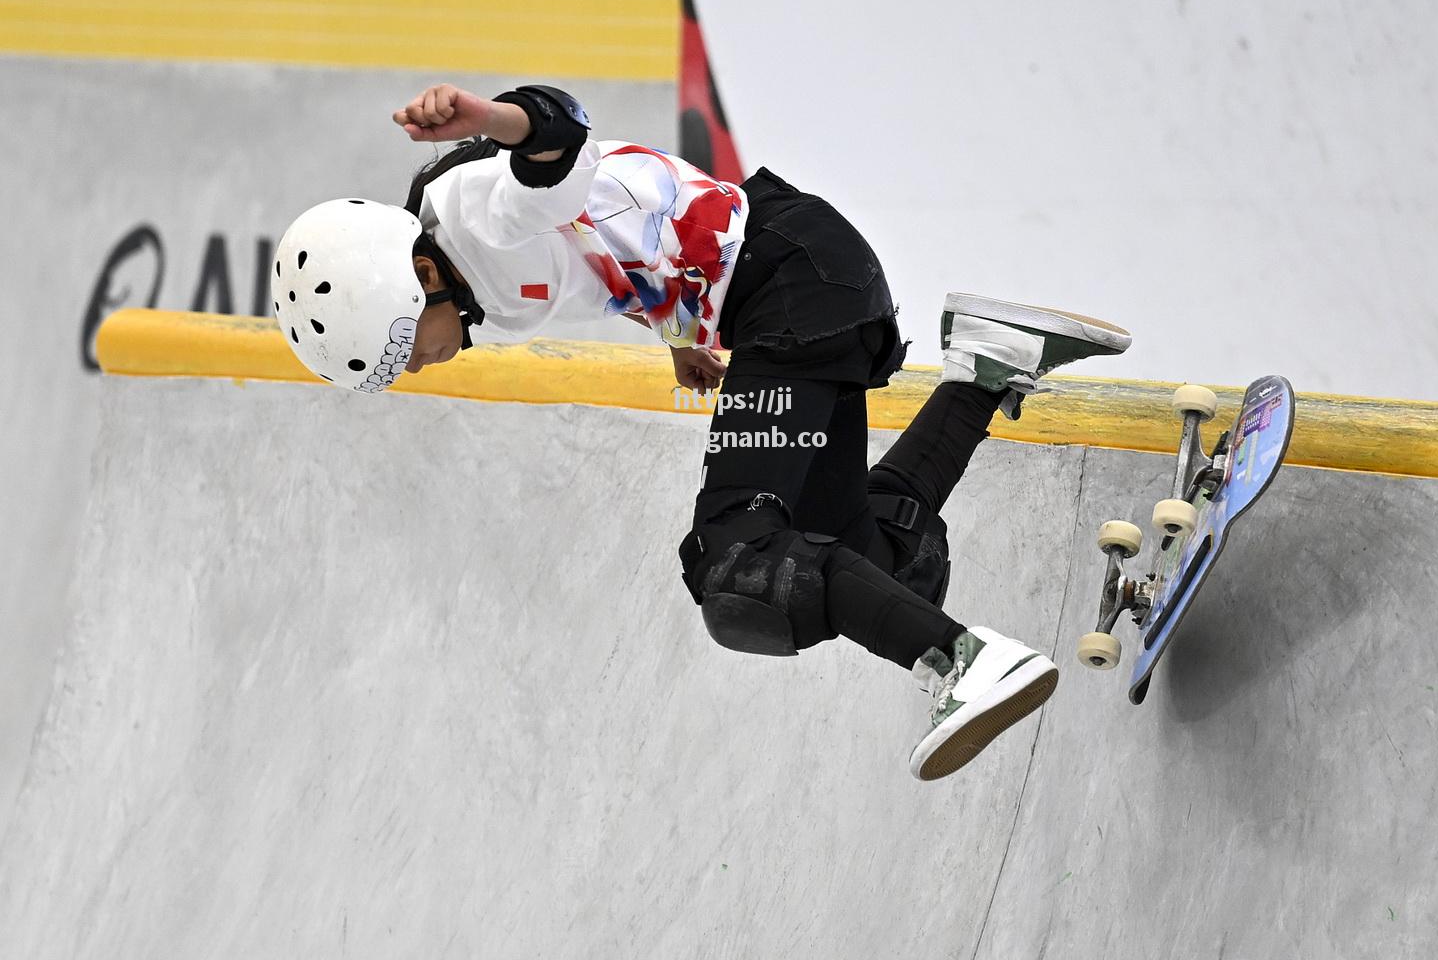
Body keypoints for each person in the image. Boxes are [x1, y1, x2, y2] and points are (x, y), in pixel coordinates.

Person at [269, 83, 1132, 780]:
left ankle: (965, 662)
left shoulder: (473, 211)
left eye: (400, 349)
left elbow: (559, 136)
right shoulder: (462, 257)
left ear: (420, 275)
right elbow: (606, 232)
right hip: (797, 280)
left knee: (737, 563)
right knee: (865, 559)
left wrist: (490, 118)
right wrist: (678, 334)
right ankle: (989, 365)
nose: (415, 367)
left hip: (788, 288)